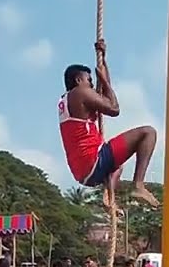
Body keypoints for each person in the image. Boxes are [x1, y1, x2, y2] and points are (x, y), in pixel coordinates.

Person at [59, 39, 160, 207]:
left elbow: (104, 98)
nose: (91, 84)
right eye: (89, 80)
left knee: (117, 166)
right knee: (148, 133)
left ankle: (110, 199)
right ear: (78, 81)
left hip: (84, 173)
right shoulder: (80, 93)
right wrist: (104, 81)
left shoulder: (67, 102)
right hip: (94, 161)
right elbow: (114, 108)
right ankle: (138, 185)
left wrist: (103, 59)